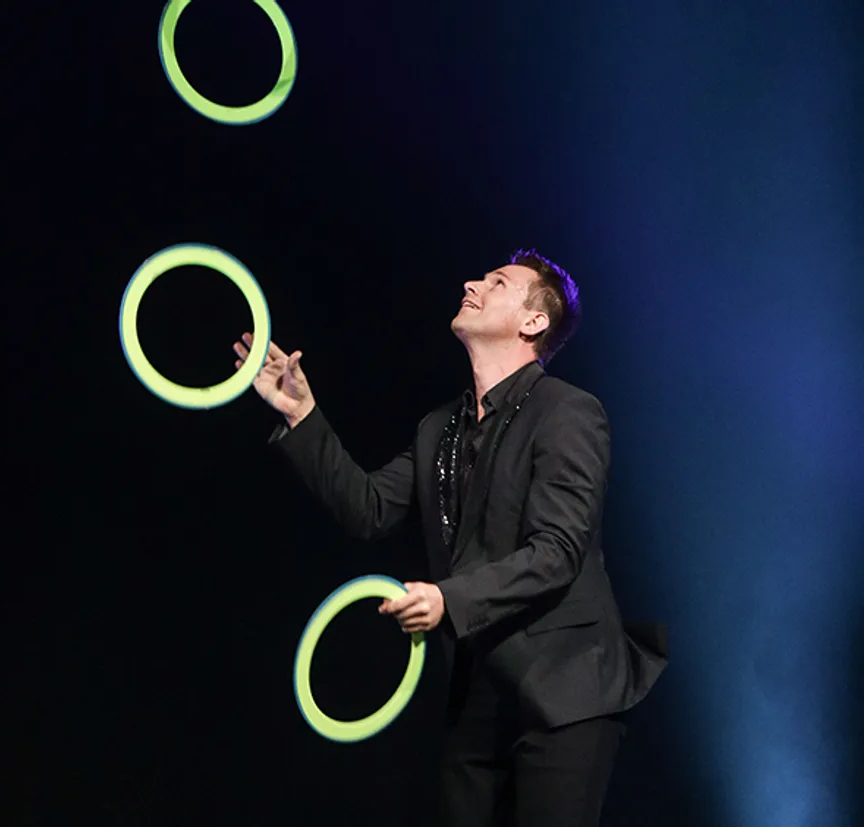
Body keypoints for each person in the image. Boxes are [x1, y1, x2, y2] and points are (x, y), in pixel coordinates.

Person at [232, 249, 667, 827]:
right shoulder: (439, 428)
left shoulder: (567, 413)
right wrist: (302, 416)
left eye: (497, 281)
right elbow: (368, 509)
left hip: (566, 689)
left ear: (533, 322)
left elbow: (558, 553)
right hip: (479, 696)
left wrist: (447, 599)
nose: (472, 283)